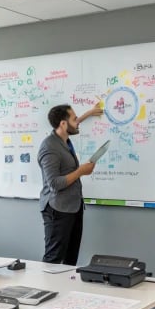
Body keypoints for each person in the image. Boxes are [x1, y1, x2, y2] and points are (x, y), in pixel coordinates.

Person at [37, 103, 103, 265]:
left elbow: (74, 124)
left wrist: (89, 113)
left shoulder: (63, 139)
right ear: (63, 124)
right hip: (57, 209)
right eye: (75, 119)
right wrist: (81, 171)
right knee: (53, 259)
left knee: (70, 259)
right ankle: (46, 290)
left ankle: (65, 290)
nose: (78, 121)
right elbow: (54, 183)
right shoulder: (50, 147)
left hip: (73, 207)